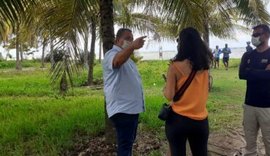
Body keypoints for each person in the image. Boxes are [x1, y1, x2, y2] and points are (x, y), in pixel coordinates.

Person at [163, 27, 212, 156]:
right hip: (201, 120)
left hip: (179, 120)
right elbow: (206, 88)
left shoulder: (175, 66)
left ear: (182, 44)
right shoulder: (205, 66)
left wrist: (165, 87)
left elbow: (169, 96)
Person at [102, 28, 146, 156]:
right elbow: (116, 61)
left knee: (127, 144)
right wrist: (132, 46)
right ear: (117, 40)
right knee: (125, 146)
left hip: (130, 109)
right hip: (123, 109)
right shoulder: (111, 54)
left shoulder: (128, 59)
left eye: (132, 39)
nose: (130, 41)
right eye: (127, 38)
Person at [239, 24, 270, 156]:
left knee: (268, 140)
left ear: (267, 35)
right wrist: (263, 73)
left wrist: (250, 72)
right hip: (249, 104)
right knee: (250, 142)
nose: (254, 37)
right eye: (253, 34)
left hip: (267, 106)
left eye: (257, 34)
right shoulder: (248, 55)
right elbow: (241, 74)